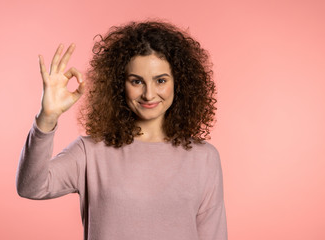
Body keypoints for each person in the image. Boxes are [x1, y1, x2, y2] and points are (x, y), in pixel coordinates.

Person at [16, 20, 228, 240]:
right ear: (119, 84)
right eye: (136, 81)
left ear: (179, 83)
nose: (148, 94)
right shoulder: (91, 152)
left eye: (160, 80)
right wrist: (47, 118)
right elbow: (31, 187)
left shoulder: (204, 158)